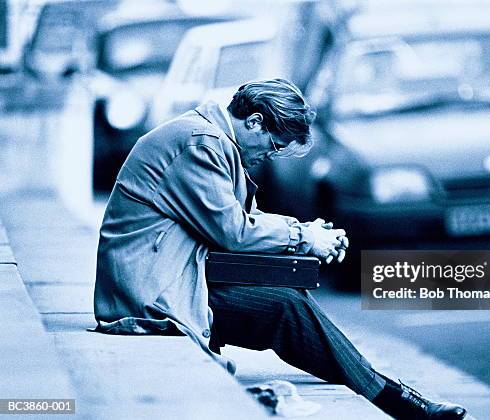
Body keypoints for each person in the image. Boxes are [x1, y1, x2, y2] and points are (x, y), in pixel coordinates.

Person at [93, 78, 466, 419]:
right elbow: (235, 232)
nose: (270, 156)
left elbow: (243, 222)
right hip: (150, 297)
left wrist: (306, 233)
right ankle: (392, 397)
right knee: (285, 306)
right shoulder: (200, 144)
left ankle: (385, 390)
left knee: (288, 300)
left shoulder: (211, 140)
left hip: (175, 280)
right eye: (274, 145)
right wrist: (303, 237)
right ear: (254, 122)